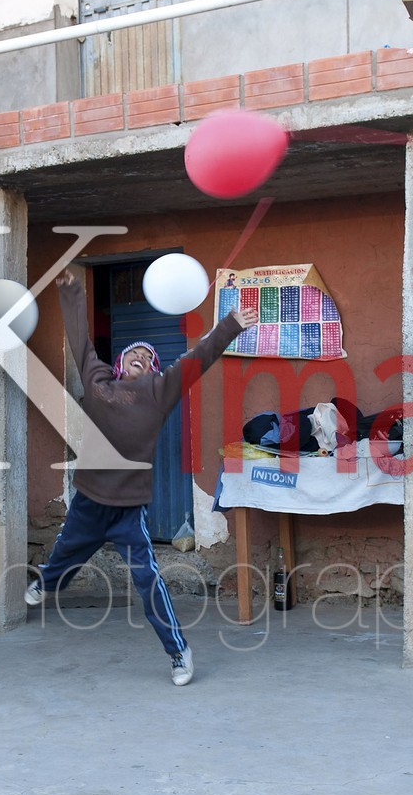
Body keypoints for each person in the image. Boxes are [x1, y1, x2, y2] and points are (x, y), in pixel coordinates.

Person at [28, 271, 257, 686]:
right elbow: (80, 341)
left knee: (148, 580)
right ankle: (47, 580)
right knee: (65, 557)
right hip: (88, 501)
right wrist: (71, 290)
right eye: (134, 354)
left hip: (128, 511)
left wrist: (231, 325)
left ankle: (178, 652)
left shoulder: (159, 390)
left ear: (155, 369)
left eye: (149, 357)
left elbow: (198, 359)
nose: (141, 358)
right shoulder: (98, 382)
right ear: (120, 364)